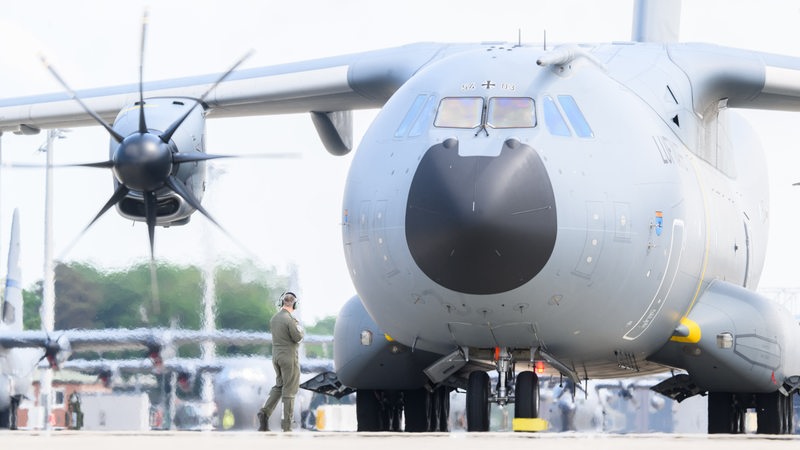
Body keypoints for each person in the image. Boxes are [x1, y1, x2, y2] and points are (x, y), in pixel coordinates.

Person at [257, 291, 304, 431]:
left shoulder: (274, 318)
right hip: (289, 358)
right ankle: (287, 425)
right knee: (289, 391)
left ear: (281, 302)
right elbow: (297, 337)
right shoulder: (290, 320)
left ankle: (264, 412)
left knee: (279, 386)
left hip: (276, 357)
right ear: (294, 304)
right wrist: (300, 329)